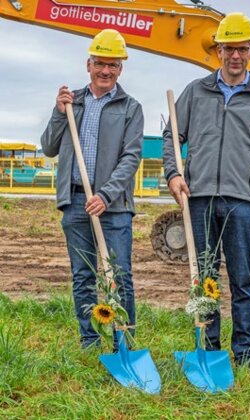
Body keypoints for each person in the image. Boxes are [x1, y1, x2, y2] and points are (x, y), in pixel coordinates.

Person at [162, 12, 250, 369]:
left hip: (242, 203)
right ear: (218, 50)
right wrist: (173, 174)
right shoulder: (196, 92)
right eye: (228, 48)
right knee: (205, 278)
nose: (235, 55)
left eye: (242, 49)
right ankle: (208, 351)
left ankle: (245, 355)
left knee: (242, 280)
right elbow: (172, 134)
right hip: (198, 198)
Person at [40, 29, 143, 349]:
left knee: (119, 276)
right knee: (83, 275)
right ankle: (89, 341)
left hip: (113, 206)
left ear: (121, 69)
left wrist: (106, 194)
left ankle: (123, 342)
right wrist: (59, 113)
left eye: (113, 65)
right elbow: (48, 147)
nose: (106, 71)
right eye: (100, 63)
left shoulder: (131, 107)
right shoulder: (74, 103)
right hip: (75, 202)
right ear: (89, 64)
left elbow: (131, 157)